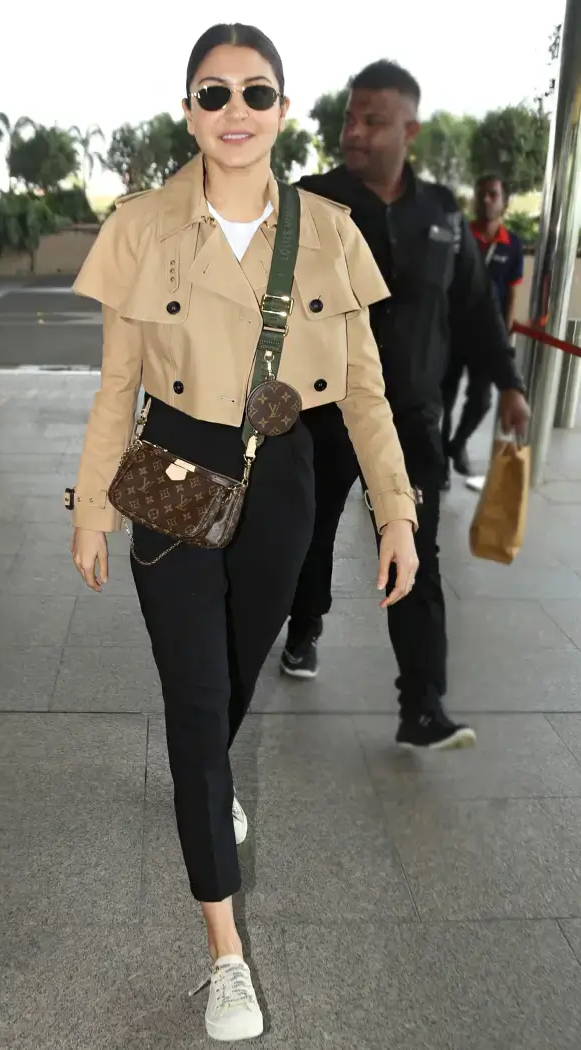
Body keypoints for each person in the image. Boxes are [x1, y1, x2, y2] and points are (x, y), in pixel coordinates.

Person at [68, 25, 418, 1043]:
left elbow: (365, 393)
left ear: (282, 110)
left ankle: (204, 781)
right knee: (194, 698)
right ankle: (225, 955)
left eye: (255, 93)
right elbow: (115, 389)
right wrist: (90, 508)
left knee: (225, 685)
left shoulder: (331, 231)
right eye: (212, 93)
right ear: (188, 111)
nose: (235, 111)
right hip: (173, 472)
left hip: (284, 480)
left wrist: (396, 510)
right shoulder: (139, 226)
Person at [280, 61, 529, 751]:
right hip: (325, 414)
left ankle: (422, 704)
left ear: (409, 131)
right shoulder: (313, 202)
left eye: (373, 121)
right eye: (349, 118)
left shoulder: (442, 215)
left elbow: (475, 309)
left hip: (411, 420)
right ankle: (304, 627)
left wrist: (508, 383)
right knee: (312, 534)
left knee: (415, 549)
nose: (354, 132)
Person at [442, 175, 525, 477]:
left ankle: (457, 445)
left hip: (486, 337)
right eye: (481, 194)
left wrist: (505, 333)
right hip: (451, 330)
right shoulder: (459, 235)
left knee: (481, 400)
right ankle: (440, 460)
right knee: (443, 399)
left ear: (504, 202)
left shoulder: (512, 245)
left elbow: (512, 292)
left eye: (493, 194)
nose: (486, 200)